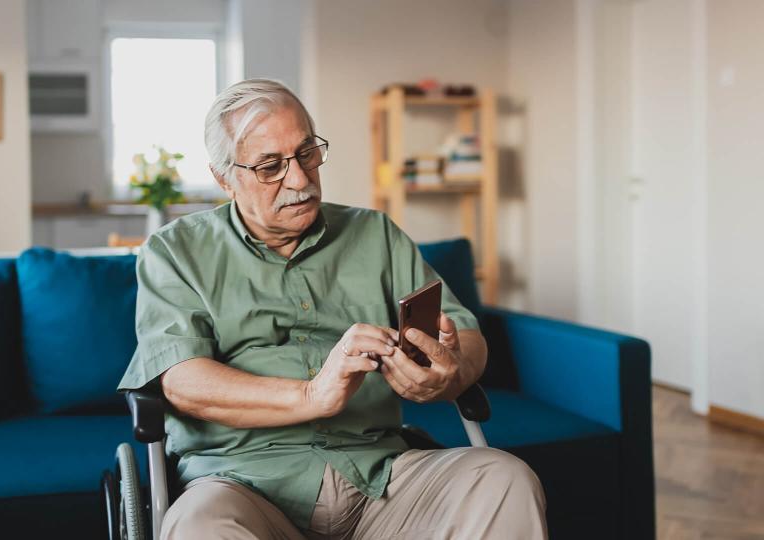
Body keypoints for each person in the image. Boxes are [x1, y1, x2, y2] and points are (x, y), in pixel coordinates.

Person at [117, 79, 547, 539]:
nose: (300, 179)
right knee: (199, 527)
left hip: (381, 475)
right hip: (241, 484)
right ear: (225, 179)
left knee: (504, 478)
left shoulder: (375, 234)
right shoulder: (175, 251)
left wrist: (451, 371)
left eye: (307, 153)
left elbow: (467, 334)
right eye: (270, 167)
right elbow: (183, 383)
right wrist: (312, 395)